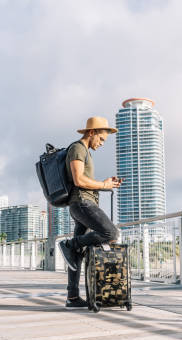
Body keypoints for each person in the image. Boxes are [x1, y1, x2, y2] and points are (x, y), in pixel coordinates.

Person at [59, 116, 122, 308]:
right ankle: (69, 244)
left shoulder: (85, 151)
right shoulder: (78, 148)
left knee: (76, 255)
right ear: (92, 132)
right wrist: (103, 185)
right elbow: (79, 180)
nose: (102, 144)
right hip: (82, 204)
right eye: (101, 139)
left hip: (83, 203)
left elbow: (85, 181)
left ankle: (72, 297)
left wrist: (105, 184)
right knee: (111, 233)